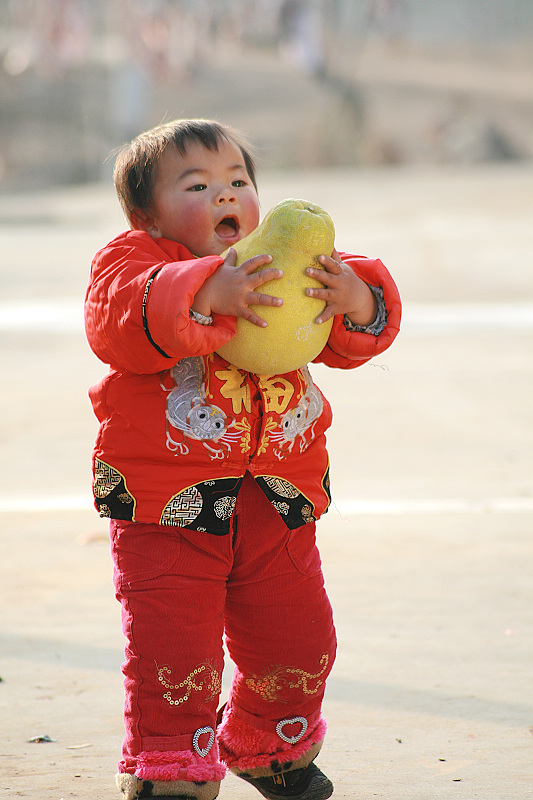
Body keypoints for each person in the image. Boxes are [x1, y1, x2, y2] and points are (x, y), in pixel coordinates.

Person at [84, 118, 401, 800]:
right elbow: (114, 323)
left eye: (238, 182)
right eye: (196, 185)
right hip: (166, 502)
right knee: (174, 648)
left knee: (299, 638)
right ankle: (169, 767)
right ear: (147, 213)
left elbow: (345, 337)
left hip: (277, 496)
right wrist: (199, 291)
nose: (226, 195)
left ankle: (270, 745)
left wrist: (356, 298)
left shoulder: (278, 260)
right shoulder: (132, 262)